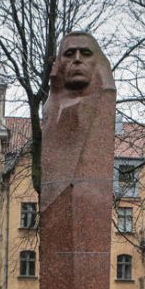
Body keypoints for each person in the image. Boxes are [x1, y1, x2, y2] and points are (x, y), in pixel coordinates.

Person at [41, 31, 116, 182]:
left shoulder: (100, 108)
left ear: (98, 62)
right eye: (69, 53)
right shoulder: (51, 111)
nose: (77, 59)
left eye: (85, 53)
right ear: (59, 64)